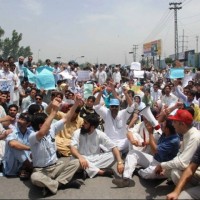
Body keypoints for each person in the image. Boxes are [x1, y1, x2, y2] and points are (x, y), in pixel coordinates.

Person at [29, 96, 82, 196]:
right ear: (41, 125)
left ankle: (53, 185)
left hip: (56, 166)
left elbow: (66, 118)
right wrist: (54, 111)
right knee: (35, 177)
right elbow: (42, 133)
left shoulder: (51, 129)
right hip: (41, 171)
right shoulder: (32, 136)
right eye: (47, 121)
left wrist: (76, 103)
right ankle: (62, 183)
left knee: (76, 162)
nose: (50, 123)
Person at [112, 118, 180, 188]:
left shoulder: (173, 141)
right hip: (155, 159)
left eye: (163, 124)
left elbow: (155, 151)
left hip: (164, 166)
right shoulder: (166, 133)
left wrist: (150, 132)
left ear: (167, 129)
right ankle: (126, 179)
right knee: (133, 153)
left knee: (148, 174)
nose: (161, 124)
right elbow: (159, 119)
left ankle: (138, 171)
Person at [70, 113, 124, 179]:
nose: (83, 124)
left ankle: (86, 170)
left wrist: (120, 162)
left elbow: (113, 147)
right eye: (84, 122)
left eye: (86, 123)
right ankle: (99, 171)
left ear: (92, 126)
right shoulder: (77, 132)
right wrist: (80, 157)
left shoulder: (100, 134)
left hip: (95, 159)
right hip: (80, 158)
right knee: (73, 159)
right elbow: (72, 148)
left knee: (116, 155)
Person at [154, 109, 200, 185]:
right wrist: (165, 167)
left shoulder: (194, 137)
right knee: (169, 169)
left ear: (182, 124)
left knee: (175, 173)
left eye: (175, 122)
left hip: (197, 172)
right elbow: (180, 155)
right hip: (191, 168)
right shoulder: (187, 133)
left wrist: (162, 165)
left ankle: (189, 192)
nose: (172, 124)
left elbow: (182, 163)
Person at [94, 85, 136, 154]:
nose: (114, 108)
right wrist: (101, 92)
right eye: (112, 106)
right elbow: (96, 106)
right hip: (109, 141)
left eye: (116, 107)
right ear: (110, 107)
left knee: (129, 140)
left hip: (122, 142)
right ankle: (117, 152)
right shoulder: (106, 112)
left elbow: (131, 106)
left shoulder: (123, 113)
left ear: (119, 107)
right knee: (101, 142)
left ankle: (115, 151)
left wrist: (126, 94)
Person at [3, 113, 33, 179]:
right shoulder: (12, 131)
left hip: (26, 161)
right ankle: (31, 168)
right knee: (15, 147)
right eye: (19, 118)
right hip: (12, 165)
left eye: (22, 119)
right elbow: (12, 144)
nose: (19, 121)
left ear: (28, 123)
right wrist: (30, 148)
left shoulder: (31, 133)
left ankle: (25, 169)